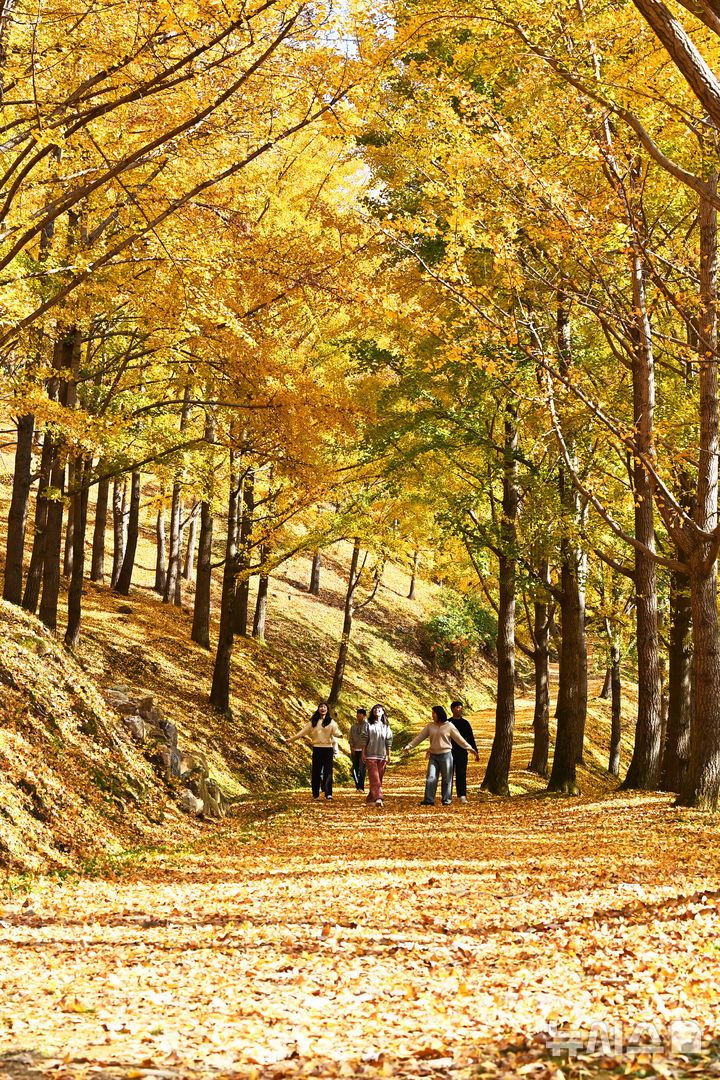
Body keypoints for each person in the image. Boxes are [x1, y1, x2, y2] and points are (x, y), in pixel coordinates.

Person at [402, 705, 479, 806]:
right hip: (433, 756)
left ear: (439, 714)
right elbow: (420, 737)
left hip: (446, 755)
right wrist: (408, 746)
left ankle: (446, 800)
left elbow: (460, 739)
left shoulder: (449, 726)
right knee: (431, 777)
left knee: (447, 779)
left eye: (433, 713)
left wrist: (470, 749)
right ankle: (429, 800)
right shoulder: (430, 726)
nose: (432, 715)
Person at [286, 702, 341, 800]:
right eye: (321, 707)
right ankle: (316, 794)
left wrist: (339, 735)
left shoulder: (331, 721)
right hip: (317, 749)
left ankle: (328, 793)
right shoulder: (313, 722)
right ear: (318, 709)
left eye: (324, 707)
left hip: (328, 749)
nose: (323, 708)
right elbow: (302, 732)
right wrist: (291, 739)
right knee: (316, 771)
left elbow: (335, 731)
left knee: (328, 772)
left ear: (327, 710)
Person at [360, 703, 392, 808]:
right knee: (375, 778)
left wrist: (389, 755)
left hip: (382, 756)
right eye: (375, 709)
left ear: (383, 712)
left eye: (379, 709)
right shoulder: (367, 724)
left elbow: (388, 740)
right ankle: (379, 798)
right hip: (370, 756)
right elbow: (364, 738)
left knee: (378, 779)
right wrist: (363, 753)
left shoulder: (386, 725)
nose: (377, 710)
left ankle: (370, 800)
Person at [448, 700, 478, 804]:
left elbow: (470, 738)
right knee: (448, 774)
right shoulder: (448, 723)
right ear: (452, 709)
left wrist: (475, 750)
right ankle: (448, 796)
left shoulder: (465, 723)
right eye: (457, 707)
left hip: (462, 752)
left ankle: (462, 795)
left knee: (461, 774)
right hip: (449, 751)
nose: (459, 709)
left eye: (461, 707)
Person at [348, 707, 368, 792]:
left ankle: (361, 787)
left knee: (362, 769)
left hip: (364, 751)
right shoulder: (353, 727)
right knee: (354, 769)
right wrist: (351, 747)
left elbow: (367, 738)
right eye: (357, 715)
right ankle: (357, 786)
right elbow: (350, 738)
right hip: (355, 750)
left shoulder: (367, 726)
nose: (358, 717)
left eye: (360, 715)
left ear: (364, 716)